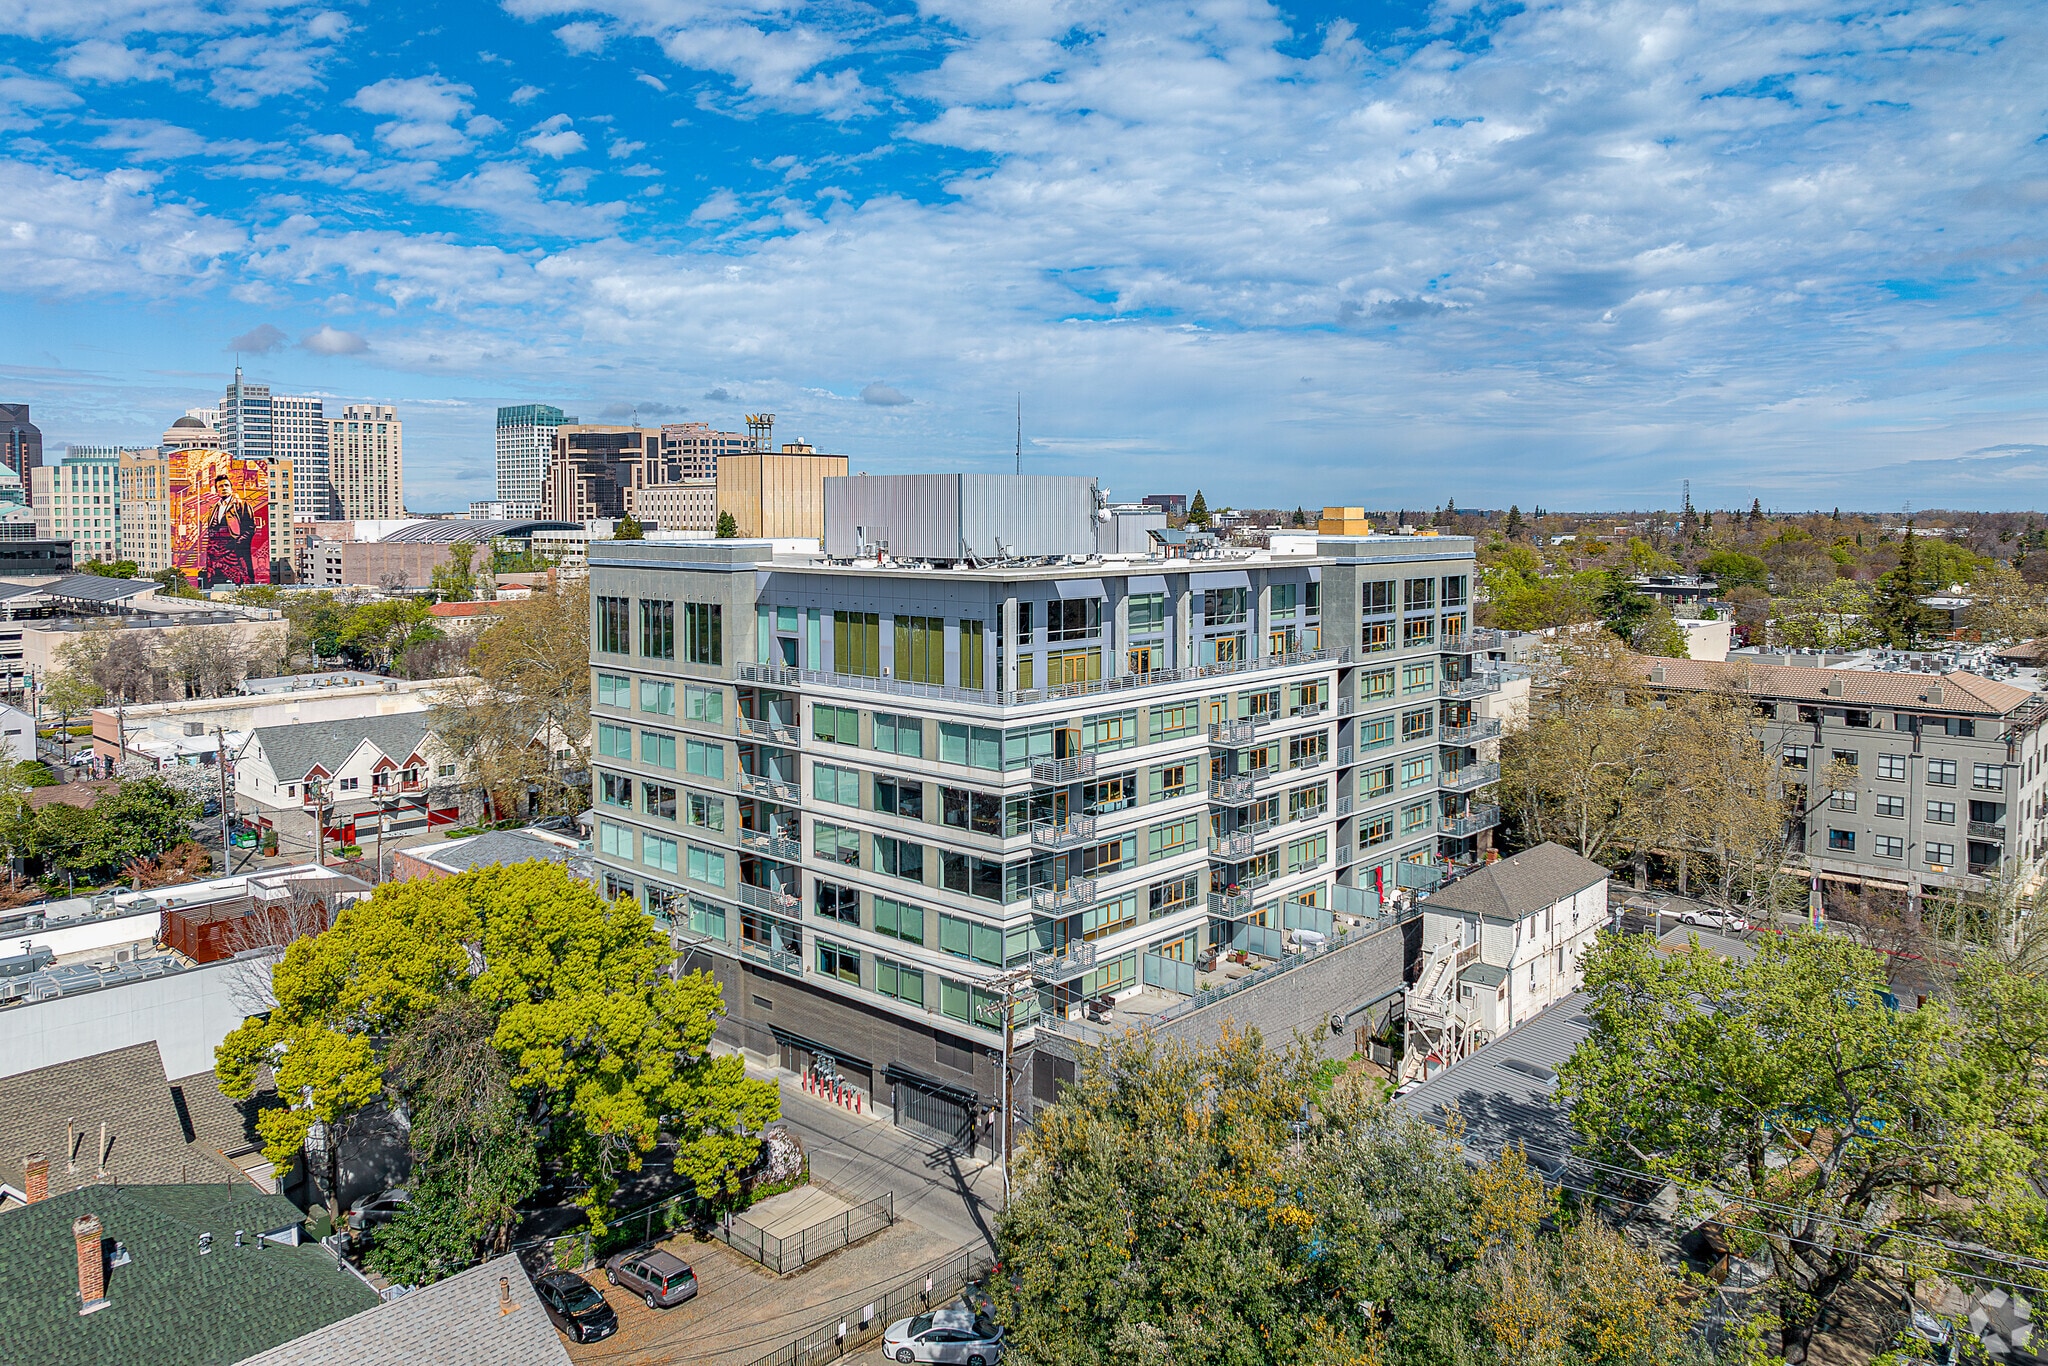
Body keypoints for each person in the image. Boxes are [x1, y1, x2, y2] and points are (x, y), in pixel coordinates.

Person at [199, 472, 260, 586]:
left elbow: (250, 529)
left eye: (226, 485)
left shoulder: (242, 505)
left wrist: (237, 544)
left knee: (240, 580)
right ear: (217, 490)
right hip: (215, 553)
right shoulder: (213, 508)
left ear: (231, 488)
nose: (224, 488)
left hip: (234, 552)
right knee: (215, 582)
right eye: (220, 486)